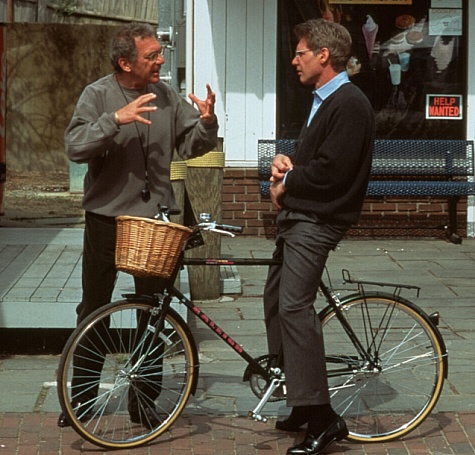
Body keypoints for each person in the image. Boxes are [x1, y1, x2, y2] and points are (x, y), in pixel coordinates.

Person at [57, 23, 219, 428]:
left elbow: (191, 146)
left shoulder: (167, 95)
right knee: (95, 308)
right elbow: (75, 147)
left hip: (155, 223)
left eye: (160, 53)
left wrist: (207, 123)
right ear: (125, 62)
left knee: (154, 312)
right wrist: (115, 119)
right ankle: (80, 400)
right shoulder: (97, 95)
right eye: (152, 56)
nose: (161, 60)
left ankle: (143, 401)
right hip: (107, 220)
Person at [264, 19, 374, 455]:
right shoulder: (324, 99)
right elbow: (315, 157)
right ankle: (301, 400)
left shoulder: (349, 103)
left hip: (318, 221)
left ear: (323, 56)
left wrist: (287, 185)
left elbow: (332, 171)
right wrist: (286, 162)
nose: (295, 59)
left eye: (301, 52)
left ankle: (323, 416)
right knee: (274, 300)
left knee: (294, 306)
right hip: (300, 216)